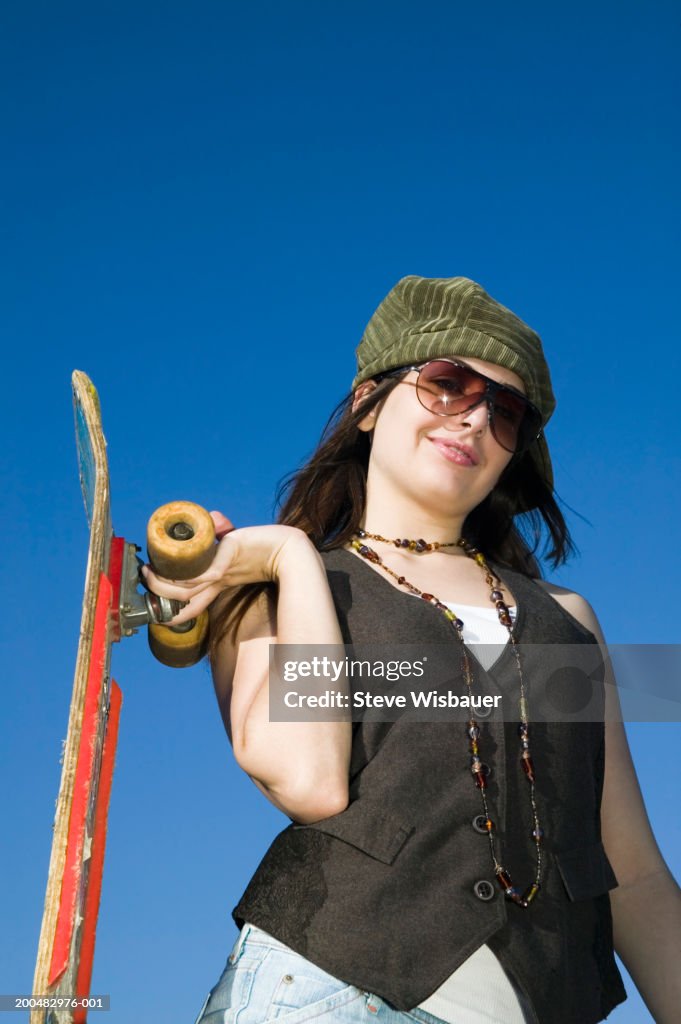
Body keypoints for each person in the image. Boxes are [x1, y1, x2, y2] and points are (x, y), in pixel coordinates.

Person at [143, 276, 681, 1024]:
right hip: (326, 993)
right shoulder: (275, 586)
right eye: (445, 384)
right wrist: (293, 557)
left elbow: (634, 874)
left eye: (505, 410)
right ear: (367, 403)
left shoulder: (565, 623)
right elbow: (308, 783)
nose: (473, 417)